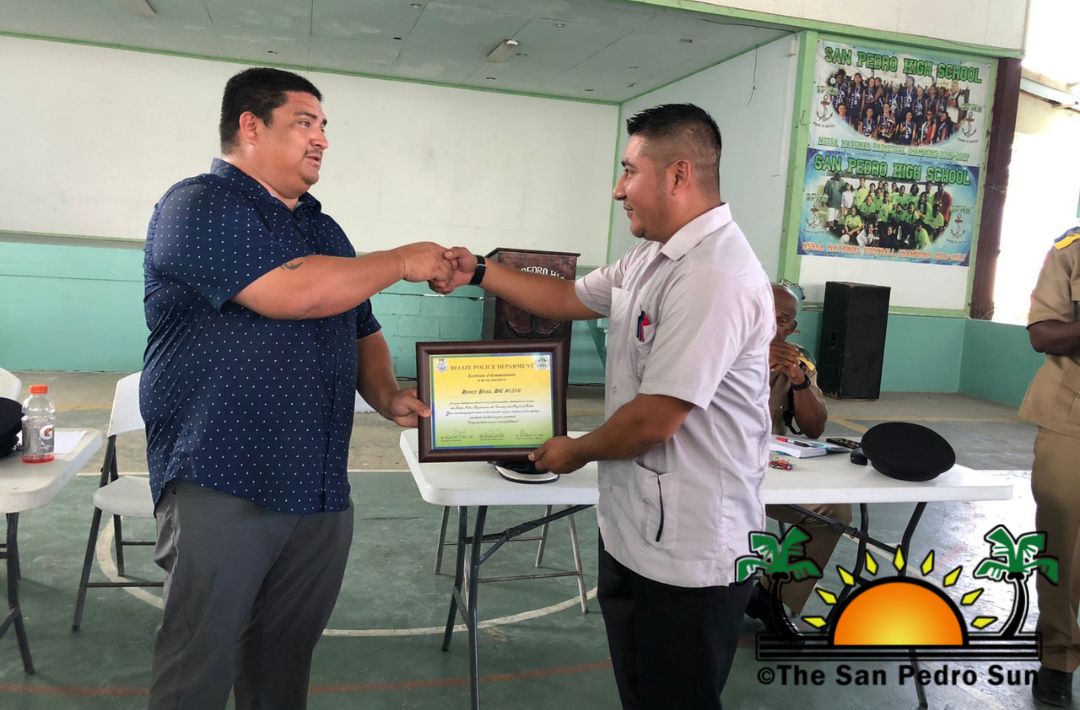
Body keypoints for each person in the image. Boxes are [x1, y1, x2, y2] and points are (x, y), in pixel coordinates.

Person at [433, 103, 773, 709]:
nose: (618, 190)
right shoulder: (653, 256)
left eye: (629, 171)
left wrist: (575, 451)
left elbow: (656, 418)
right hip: (634, 530)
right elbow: (567, 296)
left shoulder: (713, 275)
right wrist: (480, 271)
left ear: (678, 174)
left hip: (691, 549)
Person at [140, 67, 454, 710]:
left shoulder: (322, 228)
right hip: (222, 478)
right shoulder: (198, 205)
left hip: (318, 486)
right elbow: (290, 293)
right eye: (304, 123)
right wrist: (400, 260)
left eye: (324, 126)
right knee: (197, 668)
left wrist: (387, 394)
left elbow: (362, 327)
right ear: (250, 127)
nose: (322, 139)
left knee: (283, 666)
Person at [745, 284, 852, 625]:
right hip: (712, 470)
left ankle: (773, 597)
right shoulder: (718, 346)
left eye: (781, 320)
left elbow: (814, 428)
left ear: (791, 328)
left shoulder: (798, 358)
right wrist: (756, 366)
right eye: (762, 312)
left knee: (833, 511)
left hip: (768, 470)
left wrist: (798, 379)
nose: (770, 324)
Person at [1019, 225, 1080, 708]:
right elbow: (1042, 334)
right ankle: (1058, 656)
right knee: (1062, 539)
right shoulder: (1071, 251)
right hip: (1072, 416)